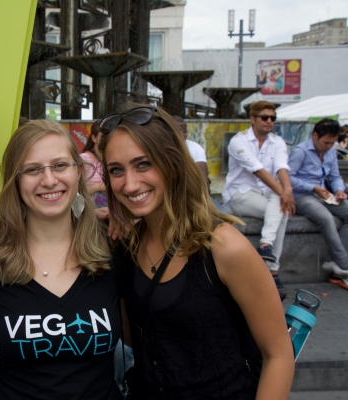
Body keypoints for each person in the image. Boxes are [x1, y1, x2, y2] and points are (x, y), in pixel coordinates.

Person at [99, 105, 295, 399]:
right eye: (117, 170)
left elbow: (278, 355)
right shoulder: (127, 246)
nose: (129, 184)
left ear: (173, 163)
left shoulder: (224, 247)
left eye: (143, 164)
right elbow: (133, 335)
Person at [0, 119, 122, 399]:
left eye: (60, 165)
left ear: (78, 172)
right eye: (32, 169)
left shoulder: (112, 249)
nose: (49, 180)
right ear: (15, 180)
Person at [222, 100, 295, 297]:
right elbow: (258, 171)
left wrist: (287, 189)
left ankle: (266, 248)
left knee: (282, 209)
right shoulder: (238, 141)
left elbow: (281, 167)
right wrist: (284, 194)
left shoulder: (277, 142)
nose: (269, 121)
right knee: (282, 210)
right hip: (240, 195)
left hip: (265, 194)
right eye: (264, 117)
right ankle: (272, 269)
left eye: (273, 118)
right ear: (253, 119)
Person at [288, 119, 348, 290]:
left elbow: (335, 176)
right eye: (326, 142)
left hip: (325, 195)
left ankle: (333, 261)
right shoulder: (300, 151)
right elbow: (287, 177)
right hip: (302, 195)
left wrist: (339, 190)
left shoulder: (330, 152)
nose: (329, 146)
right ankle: (344, 266)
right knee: (326, 218)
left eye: (332, 143)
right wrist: (312, 187)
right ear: (315, 136)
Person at [80, 120, 108, 208]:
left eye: (108, 135)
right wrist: (98, 187)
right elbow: (74, 192)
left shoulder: (111, 159)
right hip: (91, 213)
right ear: (94, 138)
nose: (106, 139)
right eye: (102, 136)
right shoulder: (83, 159)